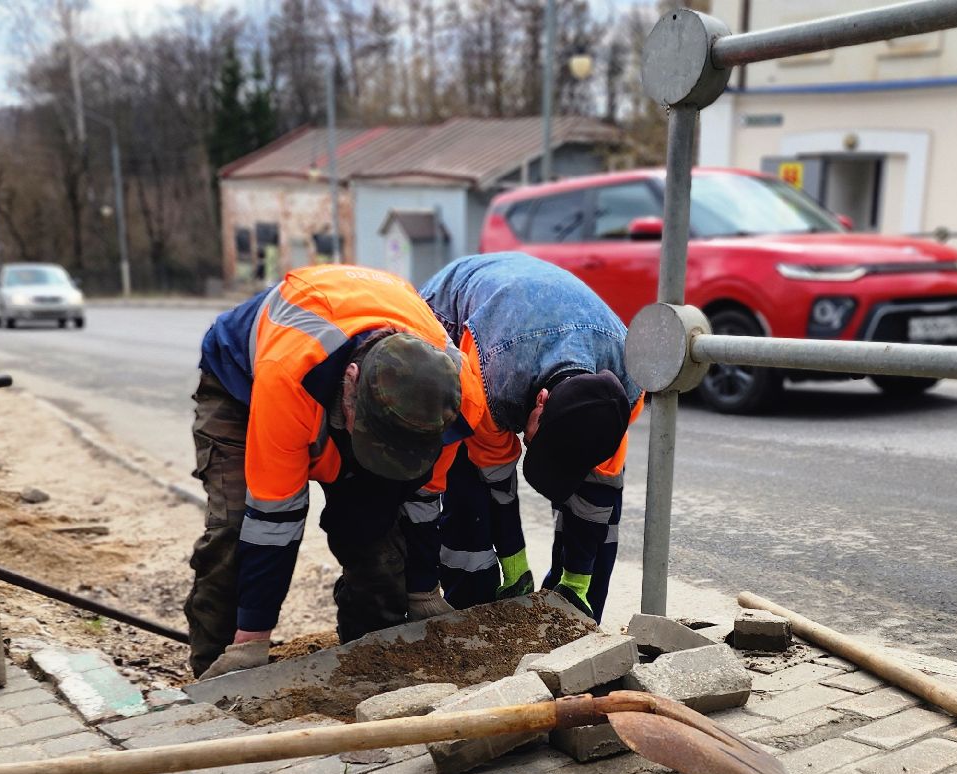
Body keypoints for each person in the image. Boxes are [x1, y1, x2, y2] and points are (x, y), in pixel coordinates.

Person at [184, 264, 478, 679]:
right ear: (351, 382)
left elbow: (424, 498)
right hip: (243, 387)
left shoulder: (451, 398)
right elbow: (274, 519)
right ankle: (215, 679)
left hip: (358, 390)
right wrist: (254, 638)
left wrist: (423, 589)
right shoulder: (290, 374)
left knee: (378, 545)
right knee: (235, 532)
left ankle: (367, 667)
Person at [414, 252, 643, 621]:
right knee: (468, 491)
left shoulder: (624, 394)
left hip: (559, 320)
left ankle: (575, 619)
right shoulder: (491, 380)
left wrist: (578, 580)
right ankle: (470, 612)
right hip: (454, 317)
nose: (527, 445)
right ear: (541, 401)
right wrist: (513, 559)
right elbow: (496, 476)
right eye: (536, 442)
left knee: (602, 511)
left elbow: (598, 493)